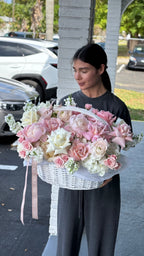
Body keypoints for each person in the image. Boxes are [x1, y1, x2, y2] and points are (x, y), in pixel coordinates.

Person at [56, 43, 132, 256]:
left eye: (84, 70)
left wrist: (108, 170)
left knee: (102, 245)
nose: (77, 77)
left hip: (104, 186)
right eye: (75, 70)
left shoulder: (117, 107)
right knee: (65, 245)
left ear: (100, 69)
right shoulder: (67, 103)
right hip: (71, 186)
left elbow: (122, 150)